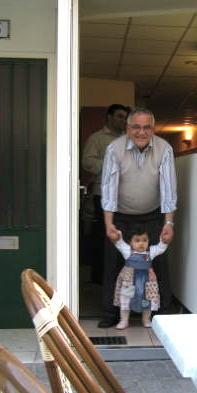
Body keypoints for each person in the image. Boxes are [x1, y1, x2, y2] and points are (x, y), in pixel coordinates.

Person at [99, 107, 177, 328]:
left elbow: (169, 189)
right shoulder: (114, 148)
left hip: (153, 215)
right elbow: (109, 187)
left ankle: (160, 313)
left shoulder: (164, 149)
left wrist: (168, 223)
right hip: (121, 216)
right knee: (115, 266)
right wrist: (109, 224)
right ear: (127, 128)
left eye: (147, 127)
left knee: (156, 264)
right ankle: (112, 312)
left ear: (153, 128)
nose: (141, 132)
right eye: (136, 127)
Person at [81, 104, 131, 284]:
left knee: (122, 236)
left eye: (125, 117)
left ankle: (119, 276)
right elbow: (87, 162)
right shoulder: (97, 138)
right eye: (119, 116)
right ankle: (100, 278)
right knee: (103, 236)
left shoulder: (128, 139)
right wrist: (111, 163)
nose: (122, 120)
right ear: (109, 117)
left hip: (125, 194)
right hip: (103, 194)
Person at [111, 227, 168, 329]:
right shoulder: (127, 251)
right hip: (129, 280)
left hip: (147, 281)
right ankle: (124, 320)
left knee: (147, 299)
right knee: (126, 299)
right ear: (130, 242)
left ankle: (146, 319)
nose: (141, 243)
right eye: (137, 241)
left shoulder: (151, 252)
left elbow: (160, 248)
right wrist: (118, 235)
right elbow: (119, 244)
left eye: (144, 240)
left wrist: (163, 241)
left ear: (148, 241)